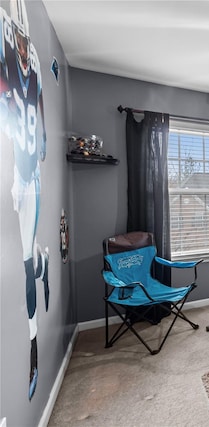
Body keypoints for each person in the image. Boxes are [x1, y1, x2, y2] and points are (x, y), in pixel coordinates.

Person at [1, 0, 49, 400]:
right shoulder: (9, 59)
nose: (19, 45)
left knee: (26, 259)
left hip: (31, 178)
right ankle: (34, 346)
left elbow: (40, 108)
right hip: (20, 177)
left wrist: (45, 136)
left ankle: (34, 347)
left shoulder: (32, 62)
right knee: (27, 258)